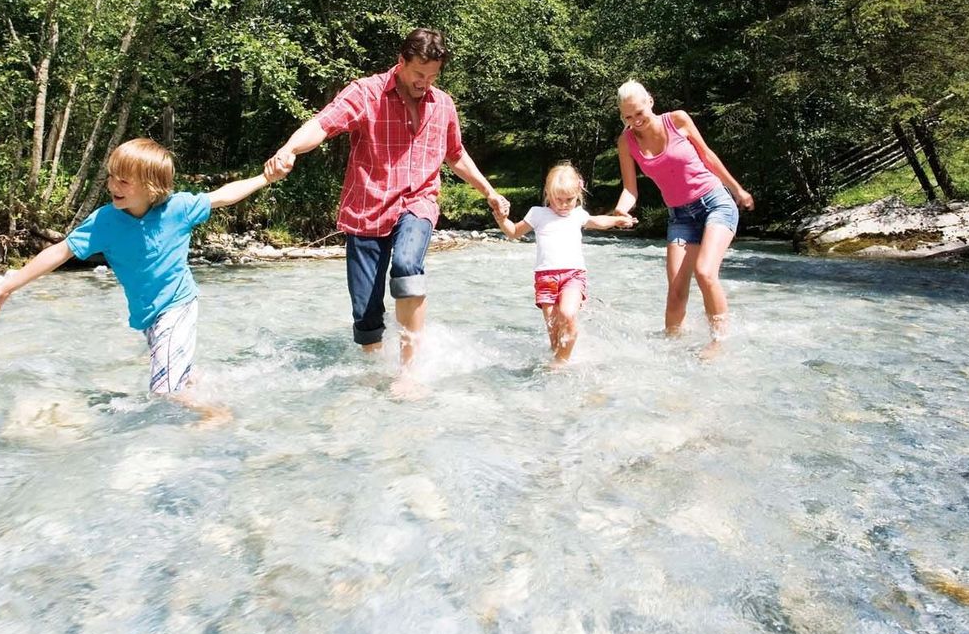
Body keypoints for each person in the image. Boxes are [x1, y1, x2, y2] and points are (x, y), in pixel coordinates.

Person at [265, 28, 509, 377]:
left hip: (418, 201)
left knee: (408, 265)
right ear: (400, 62)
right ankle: (374, 377)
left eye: (433, 76)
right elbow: (322, 125)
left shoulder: (443, 106)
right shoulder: (366, 93)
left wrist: (489, 192)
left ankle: (409, 371)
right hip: (367, 207)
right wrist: (288, 149)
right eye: (418, 74)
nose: (425, 82)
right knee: (366, 314)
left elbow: (455, 155)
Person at [0, 138, 283, 412]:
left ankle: (217, 415)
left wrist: (264, 178)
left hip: (178, 306)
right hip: (148, 315)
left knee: (163, 393)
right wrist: (8, 285)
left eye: (123, 181)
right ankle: (202, 384)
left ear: (153, 187)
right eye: (111, 177)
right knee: (178, 377)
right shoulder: (105, 221)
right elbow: (60, 252)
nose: (112, 186)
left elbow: (224, 196)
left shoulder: (178, 209)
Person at [610, 80, 754, 346]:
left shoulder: (677, 120)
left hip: (715, 203)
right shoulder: (626, 142)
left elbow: (708, 156)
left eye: (639, 113)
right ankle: (672, 349)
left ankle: (718, 344)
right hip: (680, 217)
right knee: (676, 291)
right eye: (628, 117)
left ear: (649, 102)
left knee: (705, 272)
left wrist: (738, 190)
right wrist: (621, 209)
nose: (635, 121)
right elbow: (630, 189)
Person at [492, 163, 634, 362]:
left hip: (573, 275)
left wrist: (617, 221)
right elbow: (514, 232)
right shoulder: (537, 214)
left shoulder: (578, 214)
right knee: (554, 329)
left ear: (578, 195)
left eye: (570, 200)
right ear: (549, 194)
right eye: (559, 199)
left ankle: (561, 363)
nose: (565, 204)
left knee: (567, 314)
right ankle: (558, 362)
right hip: (545, 277)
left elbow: (598, 221)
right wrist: (501, 219)